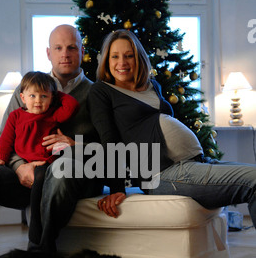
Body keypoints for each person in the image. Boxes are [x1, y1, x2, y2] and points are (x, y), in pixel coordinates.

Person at [0, 24, 101, 258]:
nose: (65, 54)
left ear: (82, 52)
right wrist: (18, 166)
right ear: (48, 53)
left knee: (58, 173)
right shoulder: (28, 87)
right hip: (26, 176)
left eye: (71, 47)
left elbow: (106, 147)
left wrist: (75, 145)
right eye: (58, 48)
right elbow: (5, 139)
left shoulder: (96, 93)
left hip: (70, 177)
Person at [87, 29, 256, 228]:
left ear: (138, 58)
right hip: (162, 174)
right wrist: (117, 188)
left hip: (193, 163)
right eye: (114, 56)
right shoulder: (102, 91)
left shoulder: (152, 86)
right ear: (106, 61)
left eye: (128, 56)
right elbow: (109, 139)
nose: (121, 63)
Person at [0, 71, 79, 243]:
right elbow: (6, 140)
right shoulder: (16, 116)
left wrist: (54, 92)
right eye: (33, 95)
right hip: (25, 164)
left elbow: (72, 106)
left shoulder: (52, 115)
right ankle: (37, 231)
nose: (38, 100)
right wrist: (0, 158)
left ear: (51, 98)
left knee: (42, 178)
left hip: (47, 162)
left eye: (44, 96)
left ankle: (37, 229)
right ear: (22, 97)